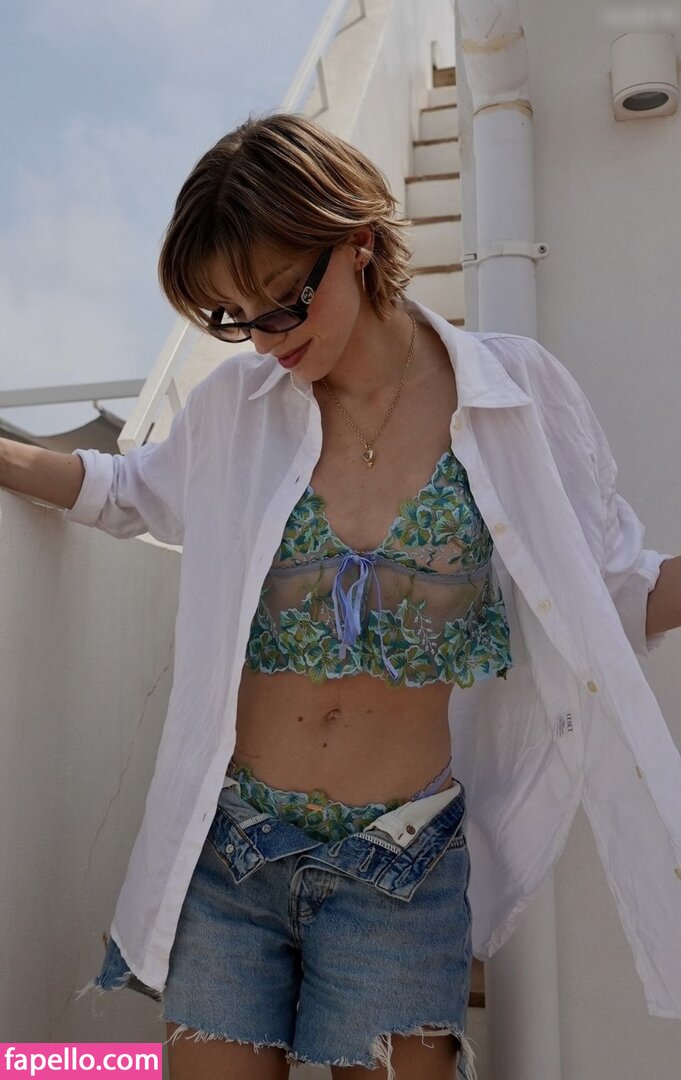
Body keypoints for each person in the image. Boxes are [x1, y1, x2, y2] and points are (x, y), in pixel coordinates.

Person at [3, 110, 680, 1079]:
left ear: (357, 240)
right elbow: (126, 490)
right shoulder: (236, 410)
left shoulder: (514, 395)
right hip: (233, 855)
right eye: (232, 318)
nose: (262, 340)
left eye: (282, 302)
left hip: (400, 868)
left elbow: (612, 598)